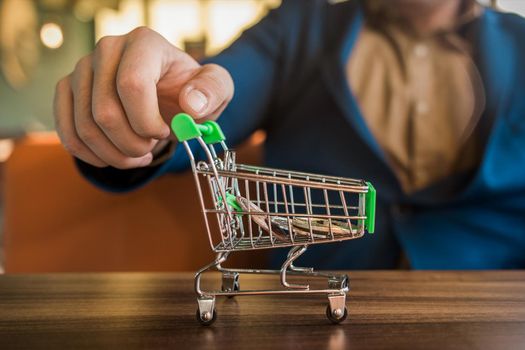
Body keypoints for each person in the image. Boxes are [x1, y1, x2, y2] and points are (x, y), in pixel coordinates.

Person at [53, 0, 525, 269]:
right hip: (315, 312)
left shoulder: (519, 44)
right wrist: (151, 110)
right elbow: (209, 99)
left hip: (491, 304)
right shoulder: (298, 28)